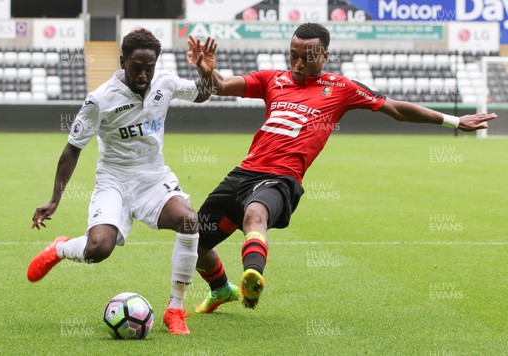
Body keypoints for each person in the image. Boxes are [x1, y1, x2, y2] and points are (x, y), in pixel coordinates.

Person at [187, 23, 497, 312]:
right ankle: (221, 289)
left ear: (324, 56)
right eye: (293, 56)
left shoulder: (340, 87)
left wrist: (455, 121)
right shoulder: (272, 79)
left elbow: (395, 109)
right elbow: (221, 86)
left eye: (307, 59)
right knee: (194, 242)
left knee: (256, 215)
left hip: (281, 179)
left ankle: (253, 276)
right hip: (244, 173)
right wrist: (206, 71)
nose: (297, 65)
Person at [27, 29, 216, 335]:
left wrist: (205, 73)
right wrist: (55, 199)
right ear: (122, 61)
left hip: (153, 178)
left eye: (149, 68)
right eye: (136, 67)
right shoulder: (100, 100)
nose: (143, 75)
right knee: (99, 249)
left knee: (189, 221)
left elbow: (202, 93)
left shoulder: (165, 82)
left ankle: (175, 309)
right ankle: (60, 249)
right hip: (114, 180)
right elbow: (71, 151)